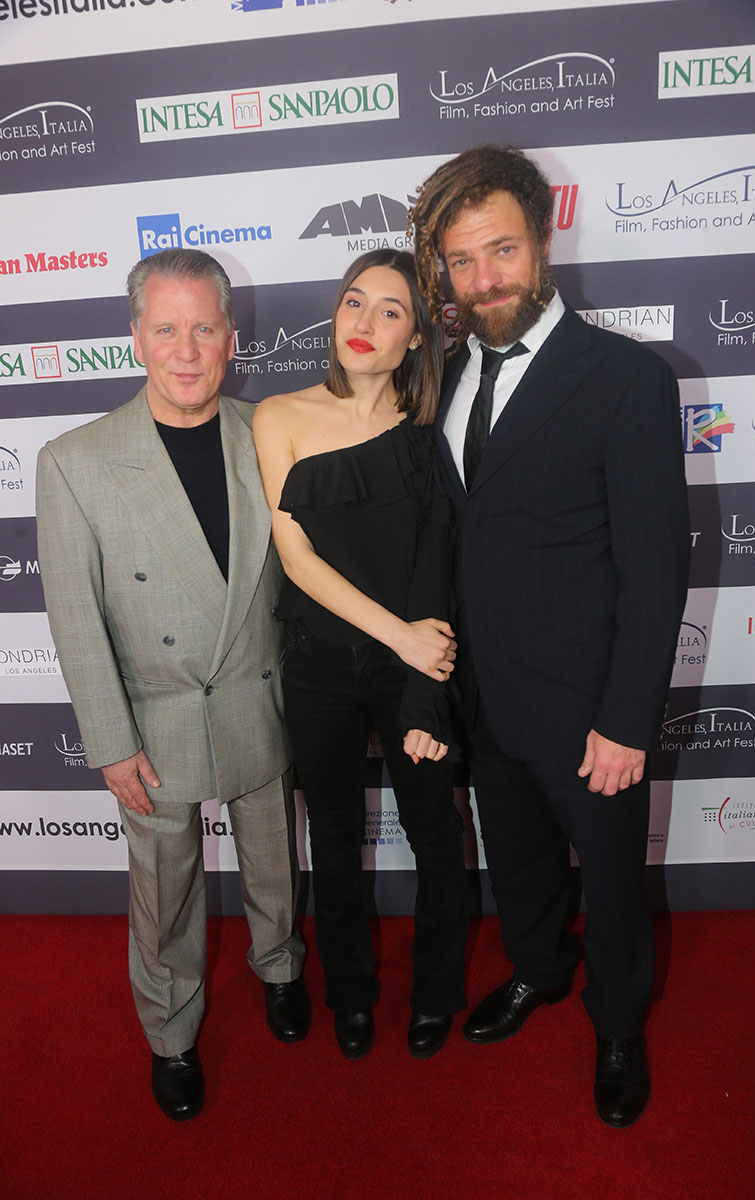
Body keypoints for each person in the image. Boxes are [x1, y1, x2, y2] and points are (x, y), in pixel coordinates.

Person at [410, 145, 690, 1126]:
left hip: (587, 706)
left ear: (543, 239)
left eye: (502, 250)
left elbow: (655, 570)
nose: (483, 278)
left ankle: (617, 1022)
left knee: (609, 879)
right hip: (485, 699)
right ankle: (538, 967)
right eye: (461, 259)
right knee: (518, 861)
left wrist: (625, 721)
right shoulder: (445, 375)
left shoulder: (625, 378)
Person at [36, 248, 309, 1122]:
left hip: (261, 696)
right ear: (135, 338)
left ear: (232, 336)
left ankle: (280, 968)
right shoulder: (74, 460)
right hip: (155, 721)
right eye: (166, 329)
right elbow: (75, 619)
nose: (186, 351)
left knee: (275, 860)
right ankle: (171, 1032)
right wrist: (110, 743)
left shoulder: (271, 432)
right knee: (165, 891)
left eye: (203, 328)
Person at [253, 249, 467, 1062]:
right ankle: (348, 994)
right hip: (318, 660)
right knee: (335, 837)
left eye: (390, 310)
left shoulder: (427, 431)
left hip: (411, 665)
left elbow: (435, 564)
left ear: (415, 336)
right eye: (353, 301)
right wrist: (400, 634)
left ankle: (436, 992)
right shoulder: (278, 416)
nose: (365, 323)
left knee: (434, 831)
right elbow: (297, 559)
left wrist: (422, 684)